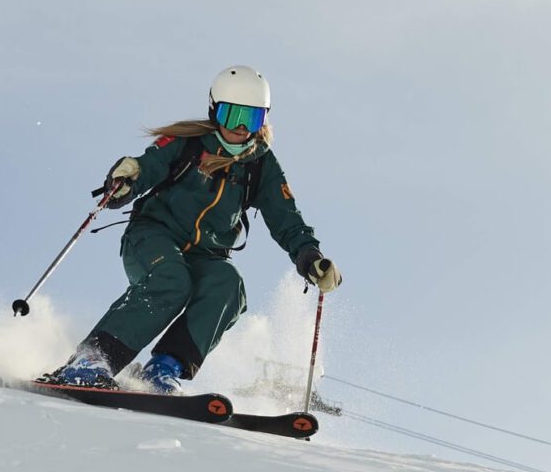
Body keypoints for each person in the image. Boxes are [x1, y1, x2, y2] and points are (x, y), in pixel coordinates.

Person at [40, 65, 341, 393]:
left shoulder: (261, 165)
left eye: (251, 118)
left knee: (228, 285)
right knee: (172, 279)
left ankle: (163, 368)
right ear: (215, 111)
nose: (240, 128)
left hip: (205, 255)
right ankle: (91, 360)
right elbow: (148, 168)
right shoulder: (188, 143)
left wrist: (309, 256)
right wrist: (125, 181)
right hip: (152, 236)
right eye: (232, 115)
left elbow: (286, 218)